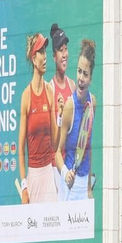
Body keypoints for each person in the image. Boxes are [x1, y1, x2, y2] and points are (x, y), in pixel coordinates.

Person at [17, 32, 61, 203]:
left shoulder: (50, 91)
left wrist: (59, 115)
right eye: (41, 52)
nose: (45, 57)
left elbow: (55, 144)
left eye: (45, 51)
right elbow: (21, 148)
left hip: (49, 174)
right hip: (33, 177)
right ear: (33, 58)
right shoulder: (26, 96)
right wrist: (24, 186)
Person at [60, 39, 96, 201]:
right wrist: (65, 173)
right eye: (79, 71)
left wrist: (88, 188)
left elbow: (88, 148)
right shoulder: (69, 107)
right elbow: (56, 152)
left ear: (91, 78)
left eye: (86, 74)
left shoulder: (92, 102)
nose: (81, 78)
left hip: (83, 184)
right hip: (68, 185)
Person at [48, 24, 73, 193]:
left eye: (65, 49)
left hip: (71, 168)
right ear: (53, 57)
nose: (64, 54)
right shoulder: (50, 89)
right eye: (60, 50)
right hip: (54, 170)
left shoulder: (72, 86)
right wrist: (59, 116)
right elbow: (52, 141)